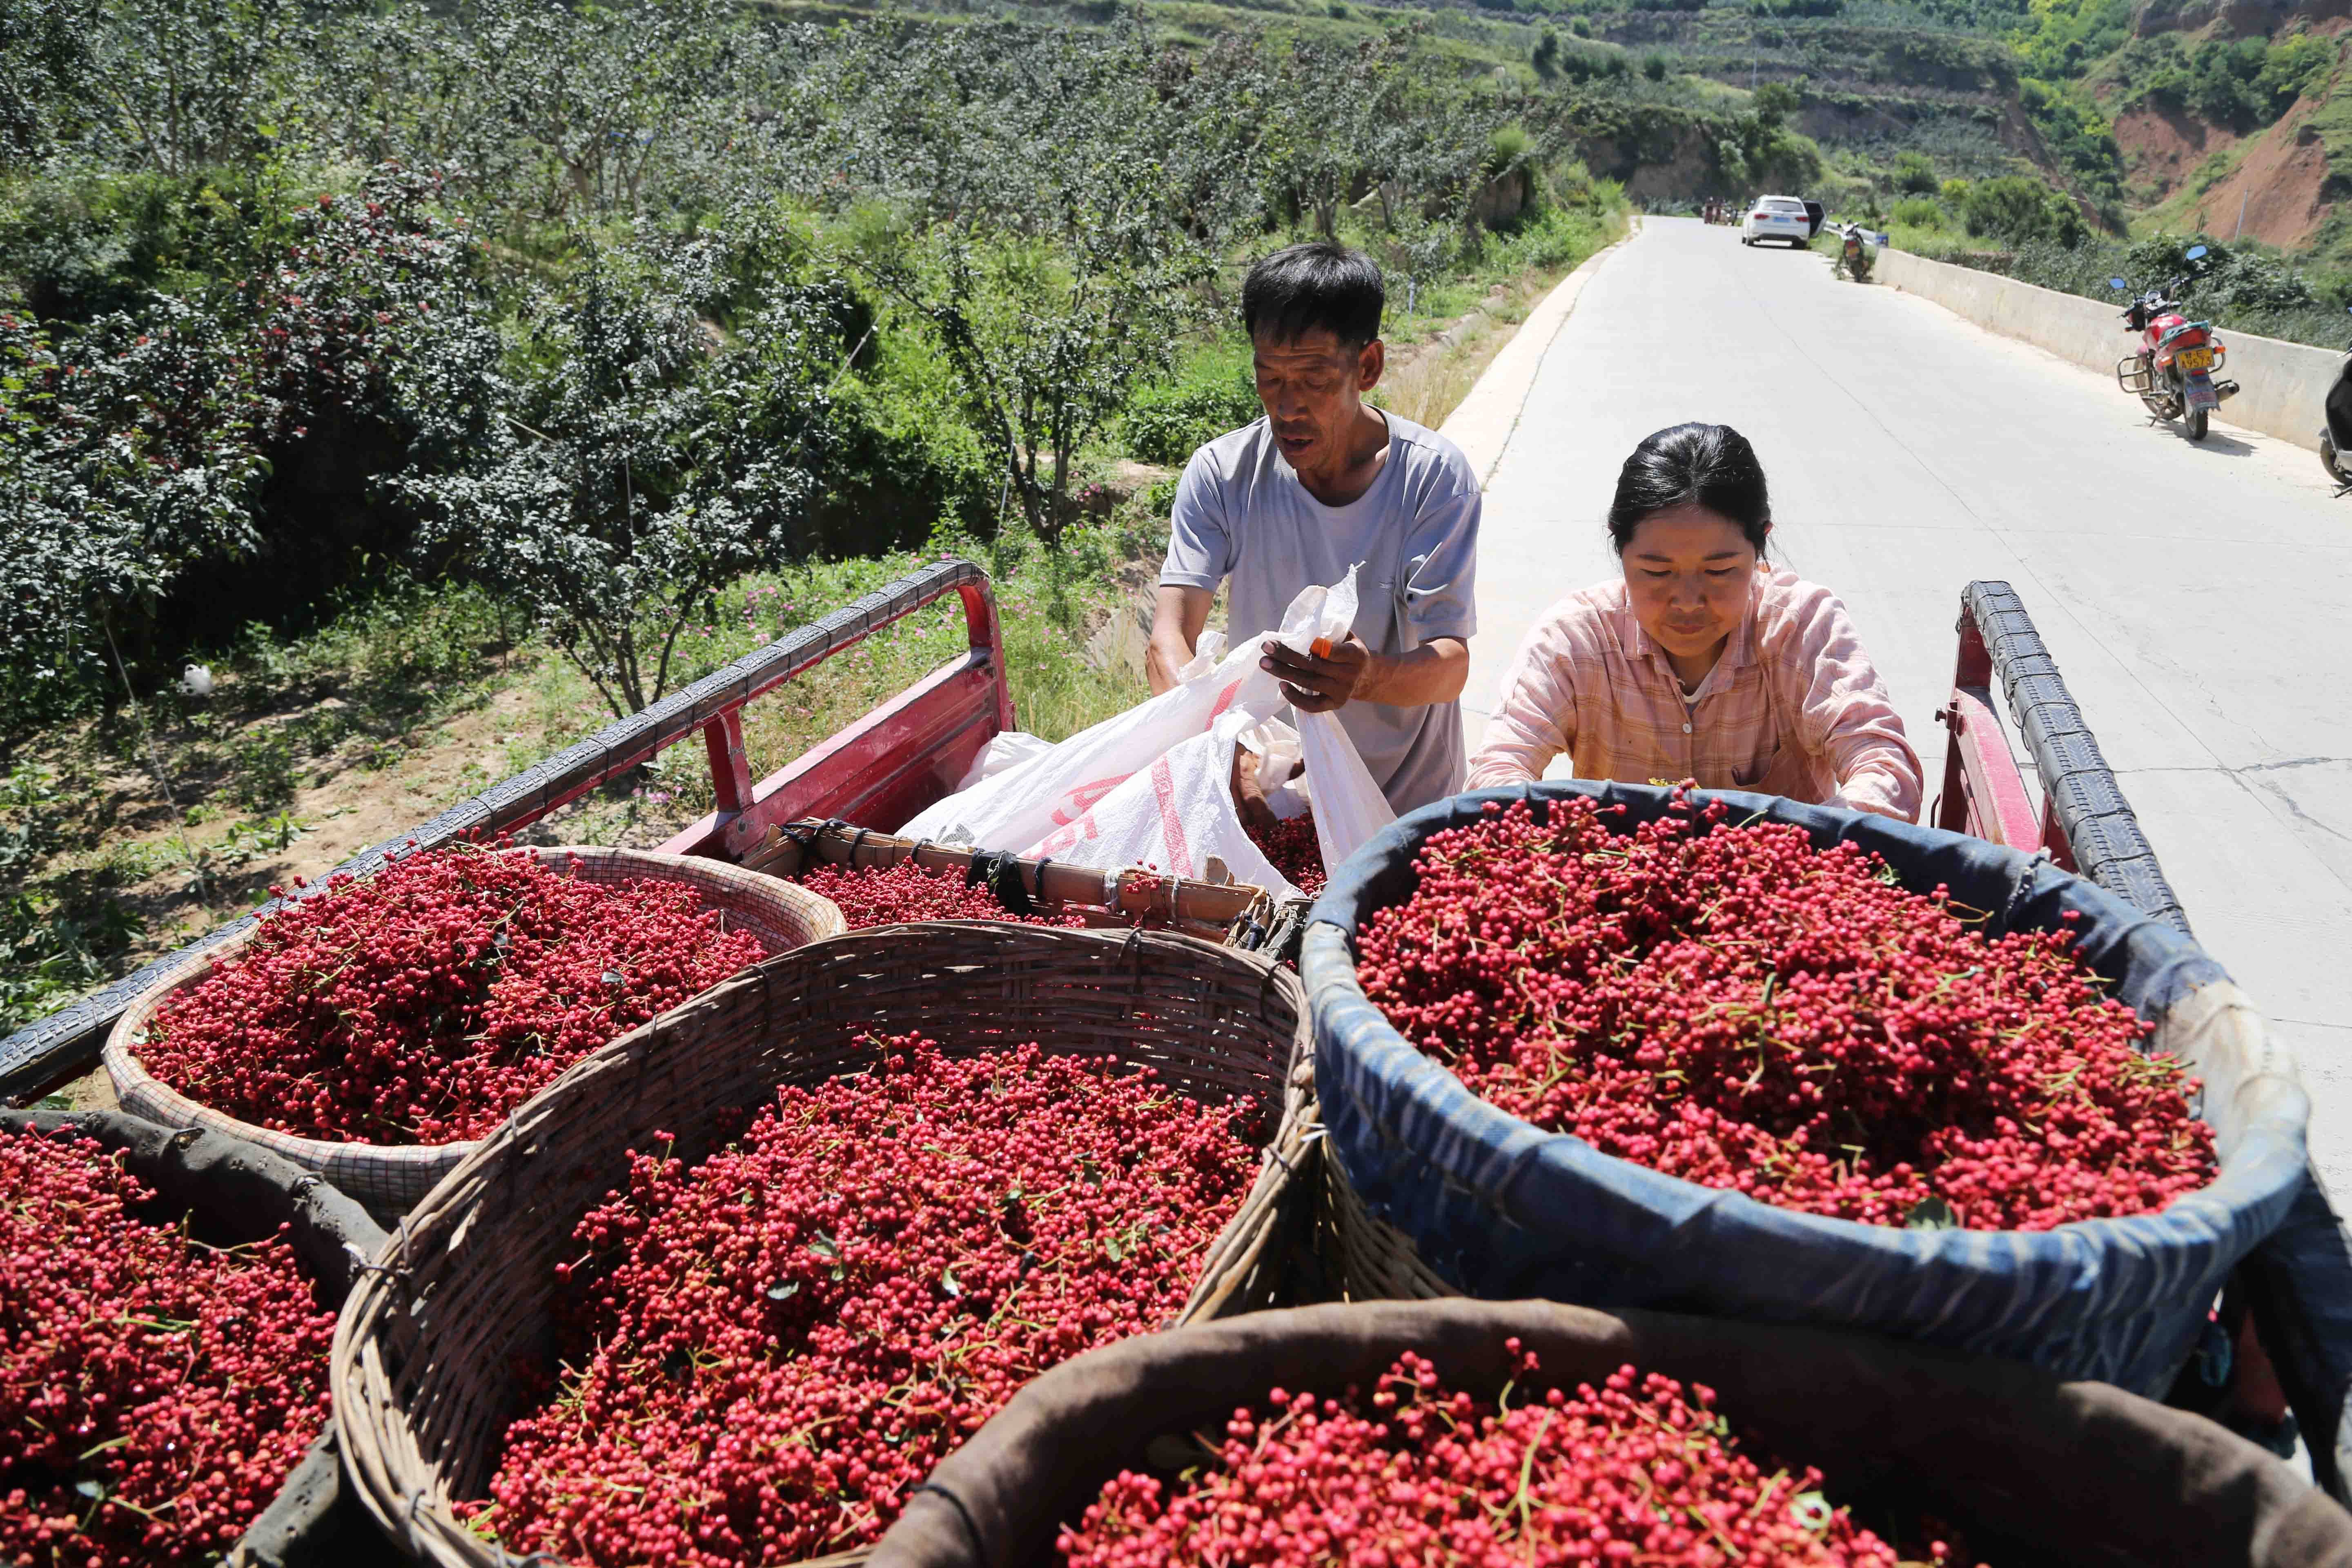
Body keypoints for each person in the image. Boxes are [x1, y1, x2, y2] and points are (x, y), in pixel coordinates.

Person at [1150, 241, 1481, 828]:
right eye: (1269, 377)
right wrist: (1224, 749)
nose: (1288, 405)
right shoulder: (1223, 473)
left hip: (1404, 810)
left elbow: (1450, 666)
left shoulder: (1432, 478)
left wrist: (1367, 676)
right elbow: (1169, 637)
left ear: (1368, 368)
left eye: (1313, 379)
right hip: (1274, 804)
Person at [1466, 421, 1921, 819]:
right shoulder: (1576, 638)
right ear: (1619, 549)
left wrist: (1801, 847)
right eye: (1657, 573)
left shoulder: (1801, 626)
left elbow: (1881, 764)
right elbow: (1500, 767)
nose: (1687, 602)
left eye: (1720, 572)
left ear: (1760, 547)